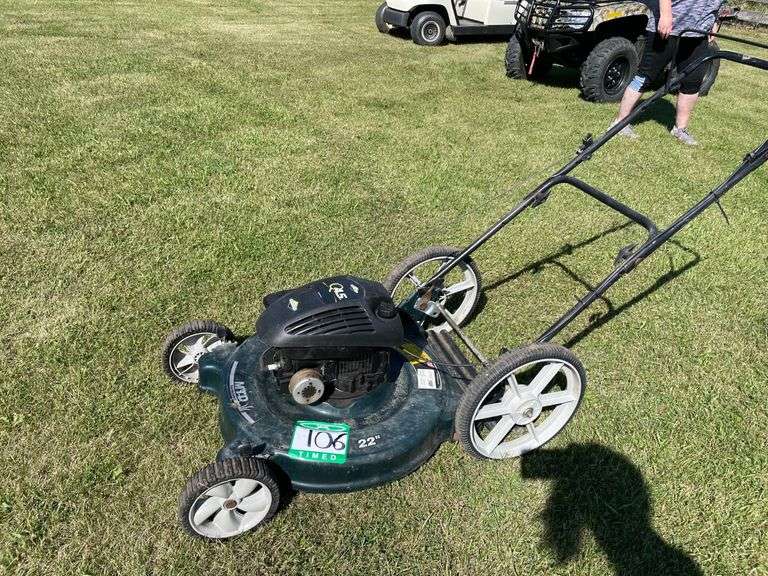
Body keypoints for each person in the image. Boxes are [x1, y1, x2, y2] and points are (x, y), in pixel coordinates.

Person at [613, 0, 724, 145]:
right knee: (645, 76)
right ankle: (620, 123)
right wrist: (665, 15)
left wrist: (715, 22)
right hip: (669, 27)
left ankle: (680, 129)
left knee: (693, 81)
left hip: (699, 33)